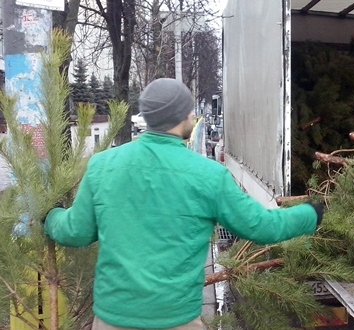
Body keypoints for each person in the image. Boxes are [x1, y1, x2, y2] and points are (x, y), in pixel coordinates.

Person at [44, 78, 324, 330]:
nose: (193, 116)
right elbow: (262, 226)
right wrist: (310, 213)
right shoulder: (209, 176)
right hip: (176, 319)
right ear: (182, 116)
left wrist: (51, 216)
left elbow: (76, 232)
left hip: (113, 318)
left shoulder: (103, 166)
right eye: (190, 111)